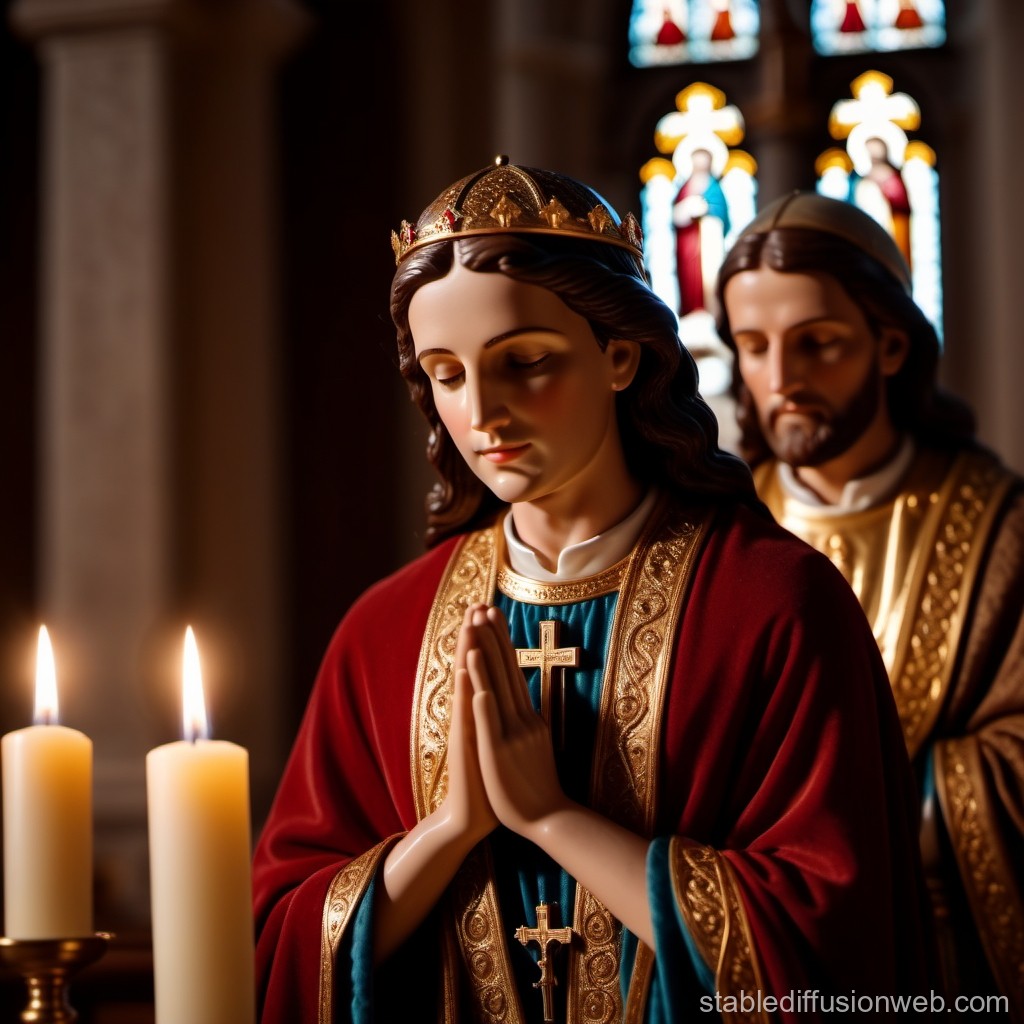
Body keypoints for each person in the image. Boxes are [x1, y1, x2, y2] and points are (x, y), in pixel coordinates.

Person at [252, 159, 932, 1023]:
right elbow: (282, 932)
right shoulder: (385, 630)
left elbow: (832, 949)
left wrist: (550, 819)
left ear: (619, 354)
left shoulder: (774, 604)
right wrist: (450, 830)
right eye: (445, 374)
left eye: (524, 361)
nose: (482, 413)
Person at [717, 190, 1024, 1020]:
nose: (782, 381)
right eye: (753, 347)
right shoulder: (718, 537)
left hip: (947, 967)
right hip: (765, 958)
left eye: (817, 344)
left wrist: (853, 824)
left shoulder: (1002, 530)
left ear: (890, 345)